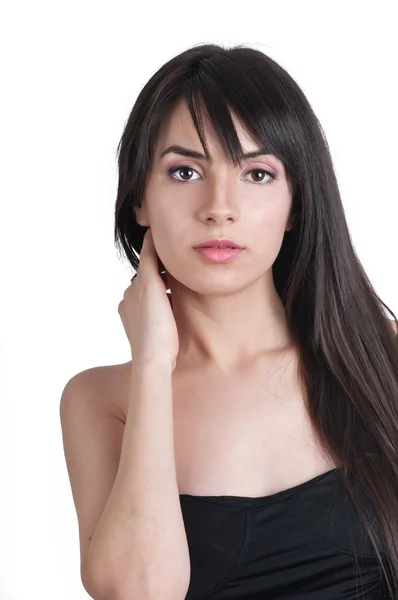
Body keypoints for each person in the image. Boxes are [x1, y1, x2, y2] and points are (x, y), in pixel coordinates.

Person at [60, 43, 398, 600]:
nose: (219, 206)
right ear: (139, 199)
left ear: (297, 205)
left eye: (257, 174)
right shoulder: (101, 400)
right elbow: (140, 592)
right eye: (185, 170)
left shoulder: (378, 356)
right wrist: (151, 364)